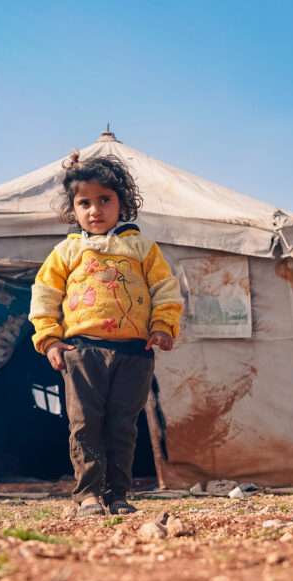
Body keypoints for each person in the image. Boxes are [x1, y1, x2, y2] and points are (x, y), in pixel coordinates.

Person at [29, 152, 183, 516]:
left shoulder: (142, 248)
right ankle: (87, 495)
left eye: (104, 200)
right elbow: (45, 294)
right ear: (73, 209)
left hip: (134, 352)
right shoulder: (67, 251)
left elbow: (165, 289)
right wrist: (49, 339)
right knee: (85, 424)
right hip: (82, 352)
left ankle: (118, 494)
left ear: (122, 203)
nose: (94, 210)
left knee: (122, 426)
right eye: (85, 203)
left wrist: (163, 326)